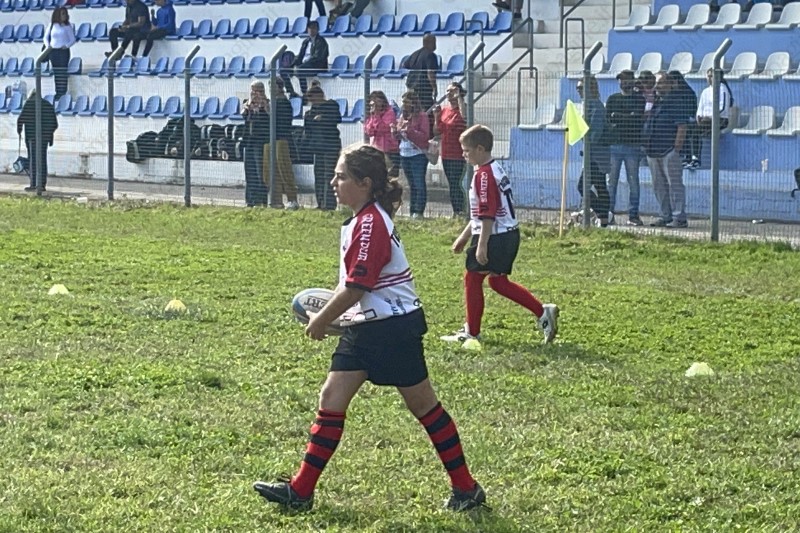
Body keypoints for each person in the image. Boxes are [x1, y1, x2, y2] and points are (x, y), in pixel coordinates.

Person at [252, 144, 487, 513]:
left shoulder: (371, 224)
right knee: (332, 397)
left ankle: (467, 489)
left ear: (364, 183)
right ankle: (300, 492)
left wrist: (322, 319)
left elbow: (357, 286)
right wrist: (337, 314)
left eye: (341, 176)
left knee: (424, 406)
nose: (333, 183)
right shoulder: (363, 219)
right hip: (369, 327)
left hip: (393, 329)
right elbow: (354, 287)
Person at [441, 124, 559, 347]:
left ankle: (472, 333)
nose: (464, 155)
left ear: (480, 149)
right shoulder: (493, 169)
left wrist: (482, 244)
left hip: (496, 235)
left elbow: (488, 213)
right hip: (508, 233)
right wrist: (465, 236)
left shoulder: (484, 175)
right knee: (497, 282)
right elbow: (481, 211)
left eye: (466, 150)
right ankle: (543, 311)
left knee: (473, 278)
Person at [642, 72, 689, 228]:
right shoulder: (656, 102)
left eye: (661, 83)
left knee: (674, 184)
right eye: (657, 83)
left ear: (670, 84)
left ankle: (679, 217)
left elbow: (682, 126)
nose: (657, 86)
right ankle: (665, 215)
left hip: (668, 150)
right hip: (653, 150)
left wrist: (676, 148)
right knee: (659, 185)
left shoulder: (676, 102)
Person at [605, 70, 646, 226]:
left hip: (633, 145)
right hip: (614, 145)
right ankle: (609, 214)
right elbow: (609, 119)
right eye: (621, 80)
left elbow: (637, 119)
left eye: (627, 80)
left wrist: (618, 116)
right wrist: (628, 116)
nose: (624, 83)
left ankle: (633, 215)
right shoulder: (612, 99)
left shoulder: (639, 99)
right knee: (611, 182)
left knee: (633, 181)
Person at [576, 75, 611, 227]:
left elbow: (596, 132)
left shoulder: (596, 107)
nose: (578, 91)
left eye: (581, 88)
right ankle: (603, 217)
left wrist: (587, 145)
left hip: (596, 155)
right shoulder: (587, 106)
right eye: (577, 88)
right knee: (599, 185)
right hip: (592, 154)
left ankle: (603, 213)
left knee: (584, 186)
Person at [264, 77, 300, 210]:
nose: (271, 89)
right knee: (271, 171)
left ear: (280, 87)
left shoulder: (284, 103)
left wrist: (270, 112)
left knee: (284, 169)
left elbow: (283, 122)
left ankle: (292, 199)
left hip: (281, 139)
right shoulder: (271, 103)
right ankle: (276, 199)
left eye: (273, 86)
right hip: (270, 139)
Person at [303, 85, 341, 210]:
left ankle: (328, 205)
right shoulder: (310, 112)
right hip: (317, 147)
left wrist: (323, 118)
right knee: (319, 175)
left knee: (328, 175)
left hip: (330, 145)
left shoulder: (331, 106)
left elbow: (337, 119)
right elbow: (308, 129)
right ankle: (320, 203)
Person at [392, 90, 429, 219]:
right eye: (403, 102)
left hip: (417, 154)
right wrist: (395, 132)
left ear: (413, 103)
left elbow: (424, 136)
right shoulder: (403, 115)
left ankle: (419, 211)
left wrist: (411, 131)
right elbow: (400, 135)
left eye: (407, 102)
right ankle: (412, 210)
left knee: (419, 184)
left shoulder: (422, 116)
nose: (404, 105)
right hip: (404, 153)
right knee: (412, 184)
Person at [434, 82, 467, 217]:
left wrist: (459, 98)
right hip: (446, 152)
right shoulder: (445, 110)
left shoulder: (462, 108)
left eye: (452, 90)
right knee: (451, 183)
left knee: (455, 182)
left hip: (458, 153)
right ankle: (456, 210)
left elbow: (465, 118)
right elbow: (437, 131)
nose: (449, 93)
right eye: (447, 91)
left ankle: (460, 210)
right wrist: (436, 116)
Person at [688, 68, 733, 169]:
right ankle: (689, 157)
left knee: (696, 130)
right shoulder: (705, 91)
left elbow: (722, 108)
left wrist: (710, 117)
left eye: (711, 76)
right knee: (689, 127)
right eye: (708, 76)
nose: (709, 79)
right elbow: (700, 107)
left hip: (720, 119)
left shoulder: (723, 89)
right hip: (705, 120)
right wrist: (699, 116)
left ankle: (696, 159)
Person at [17, 90, 59, 192]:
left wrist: (19, 130)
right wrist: (48, 133)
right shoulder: (48, 105)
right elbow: (55, 124)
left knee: (33, 161)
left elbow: (20, 119)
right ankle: (42, 184)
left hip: (32, 137)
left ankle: (33, 184)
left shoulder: (29, 104)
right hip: (44, 138)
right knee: (42, 160)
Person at [282, 20, 328, 99]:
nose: (311, 30)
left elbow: (317, 57)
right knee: (283, 71)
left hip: (317, 66)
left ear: (317, 30)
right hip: (305, 64)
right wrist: (292, 65)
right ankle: (291, 92)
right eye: (309, 28)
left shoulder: (321, 42)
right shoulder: (306, 42)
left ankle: (305, 93)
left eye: (313, 28)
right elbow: (300, 55)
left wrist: (303, 64)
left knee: (300, 70)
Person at [241, 81, 270, 207]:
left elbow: (270, 115)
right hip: (249, 141)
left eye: (257, 90)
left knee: (260, 172)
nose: (255, 93)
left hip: (261, 140)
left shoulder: (267, 103)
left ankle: (261, 199)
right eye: (252, 90)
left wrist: (263, 104)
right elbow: (243, 114)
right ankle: (250, 200)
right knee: (250, 171)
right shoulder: (248, 103)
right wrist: (250, 103)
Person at [364, 90, 400, 177]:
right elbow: (369, 131)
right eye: (374, 103)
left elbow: (382, 128)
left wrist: (376, 115)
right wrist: (374, 116)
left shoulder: (390, 112)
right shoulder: (372, 114)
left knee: (391, 176)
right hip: (377, 148)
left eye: (378, 102)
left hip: (390, 149)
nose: (377, 105)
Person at [402, 34, 439, 116]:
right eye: (434, 42)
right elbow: (430, 72)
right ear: (429, 43)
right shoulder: (430, 55)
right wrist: (434, 88)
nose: (435, 45)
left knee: (413, 109)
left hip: (412, 87)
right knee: (426, 110)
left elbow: (405, 64)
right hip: (424, 89)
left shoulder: (415, 53)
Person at [44, 7, 76, 100]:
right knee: (56, 72)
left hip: (63, 52)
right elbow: (45, 37)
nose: (64, 16)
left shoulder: (67, 26)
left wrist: (66, 46)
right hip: (53, 51)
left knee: (62, 72)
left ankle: (63, 92)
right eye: (62, 14)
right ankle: (57, 92)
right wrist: (48, 46)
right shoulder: (52, 25)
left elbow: (73, 39)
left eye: (65, 14)